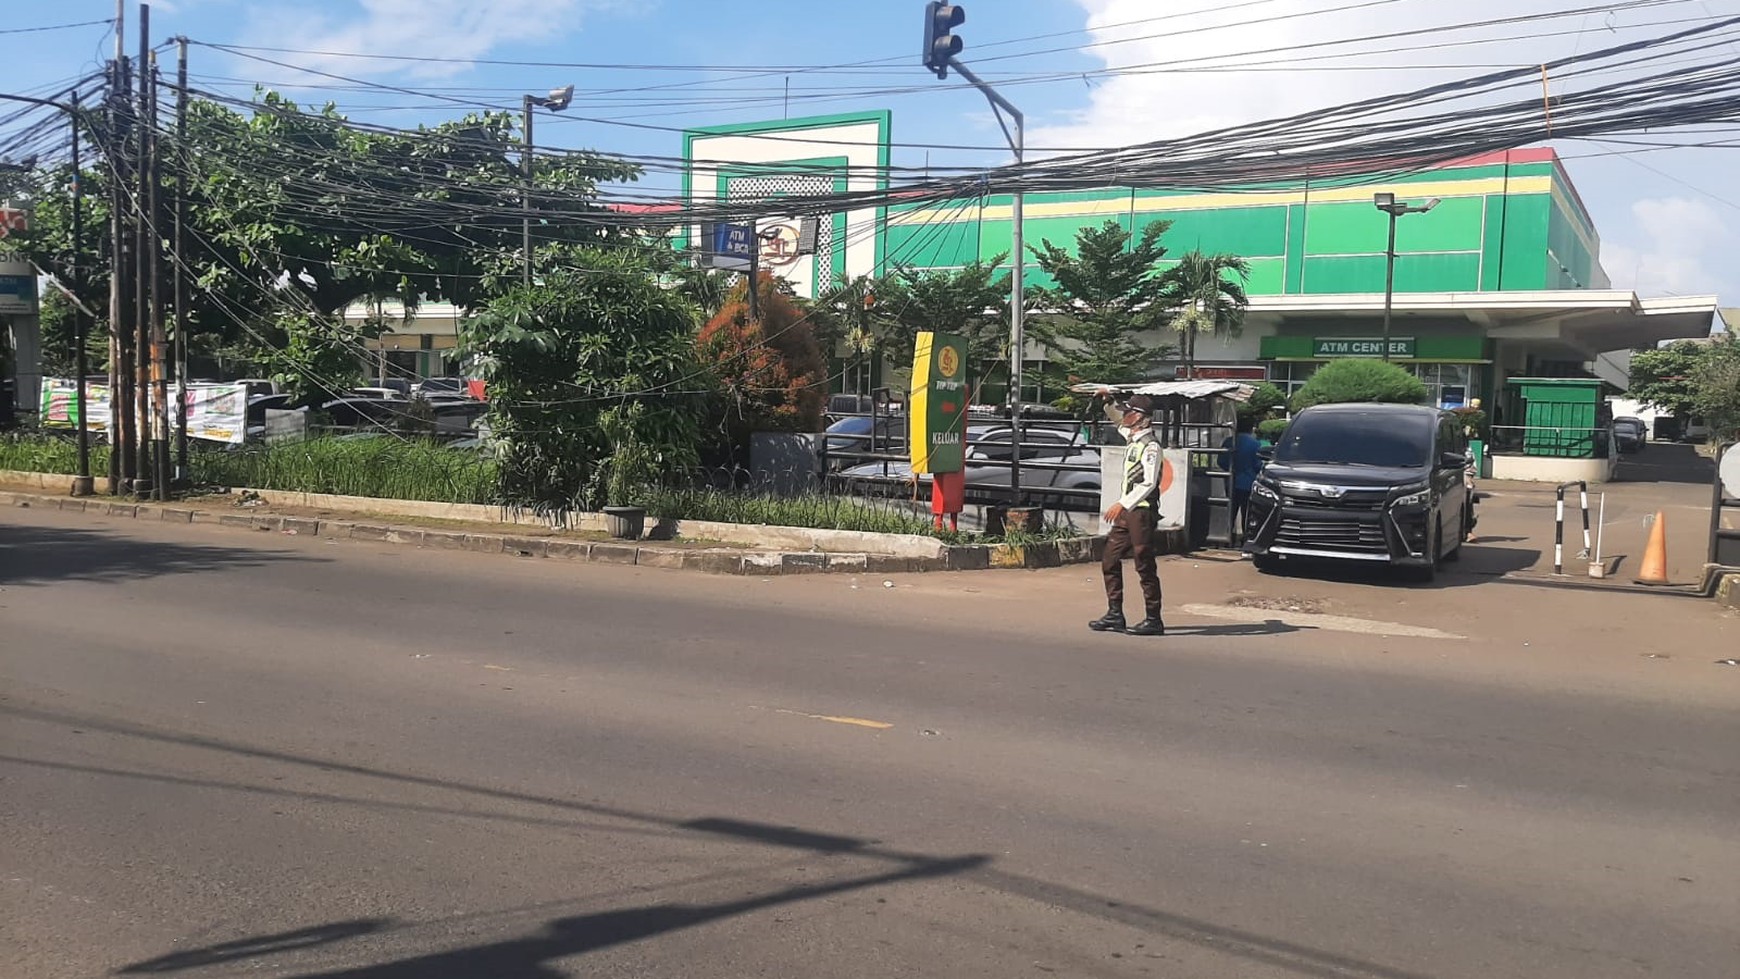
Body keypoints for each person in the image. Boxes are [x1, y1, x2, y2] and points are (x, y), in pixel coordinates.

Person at [1089, 392, 1165, 637]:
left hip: (1141, 512)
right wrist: (1107, 401)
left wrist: (1122, 503)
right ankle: (1115, 613)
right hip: (1127, 512)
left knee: (1144, 564)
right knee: (1109, 559)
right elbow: (1115, 420)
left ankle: (1153, 618)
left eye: (1129, 412)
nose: (1125, 415)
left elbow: (1149, 483)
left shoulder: (1150, 447)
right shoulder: (1132, 439)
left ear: (1141, 418)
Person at [1221, 416, 1265, 546]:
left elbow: (1221, 461)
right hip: (1248, 483)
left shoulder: (1229, 441)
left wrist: (1231, 469)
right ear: (1251, 428)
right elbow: (1258, 465)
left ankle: (1227, 538)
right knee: (1247, 514)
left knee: (1230, 512)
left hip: (1231, 482)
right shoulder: (1256, 444)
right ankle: (1246, 539)